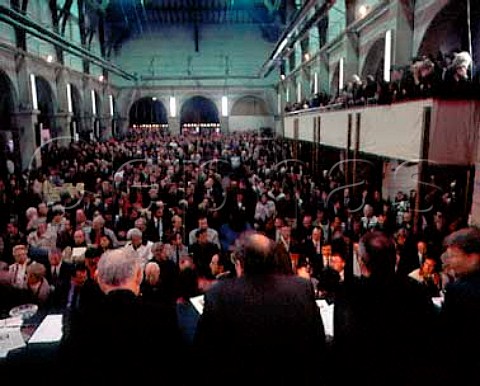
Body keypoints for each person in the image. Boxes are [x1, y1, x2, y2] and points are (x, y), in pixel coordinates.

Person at [194, 231, 326, 386]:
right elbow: (317, 343)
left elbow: (203, 353)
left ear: (240, 264)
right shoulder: (301, 288)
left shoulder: (219, 294)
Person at [58, 248, 182, 385]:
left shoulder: (79, 320)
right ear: (139, 276)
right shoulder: (163, 315)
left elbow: (67, 372)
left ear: (98, 278)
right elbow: (176, 369)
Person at [334, 230, 437, 386]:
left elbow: (343, 343)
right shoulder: (416, 290)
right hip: (407, 375)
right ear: (395, 259)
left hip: (362, 375)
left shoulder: (348, 292)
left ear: (362, 262)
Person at [438, 227, 480, 385]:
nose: (450, 262)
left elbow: (447, 336)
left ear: (473, 257)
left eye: (454, 256)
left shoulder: (459, 291)